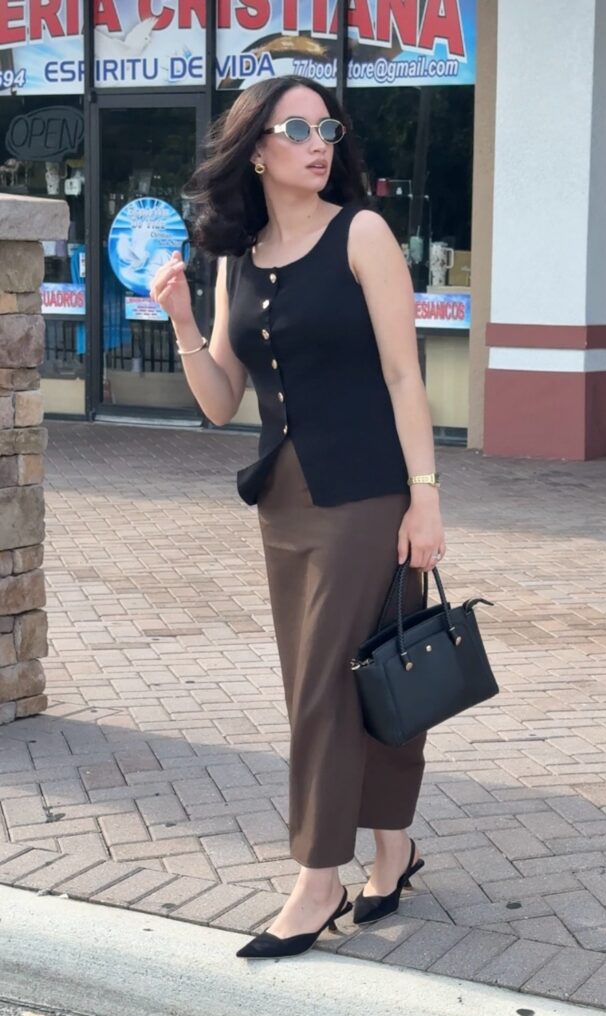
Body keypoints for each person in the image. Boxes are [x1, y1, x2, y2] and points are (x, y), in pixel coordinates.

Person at [149, 74, 446, 960]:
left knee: (323, 688)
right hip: (285, 503)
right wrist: (180, 321)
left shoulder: (362, 233)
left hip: (368, 495)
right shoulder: (238, 256)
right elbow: (218, 401)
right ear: (256, 149)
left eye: (327, 126)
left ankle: (317, 879)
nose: (318, 142)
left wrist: (425, 497)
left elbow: (403, 375)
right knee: (360, 680)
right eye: (296, 128)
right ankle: (392, 849)